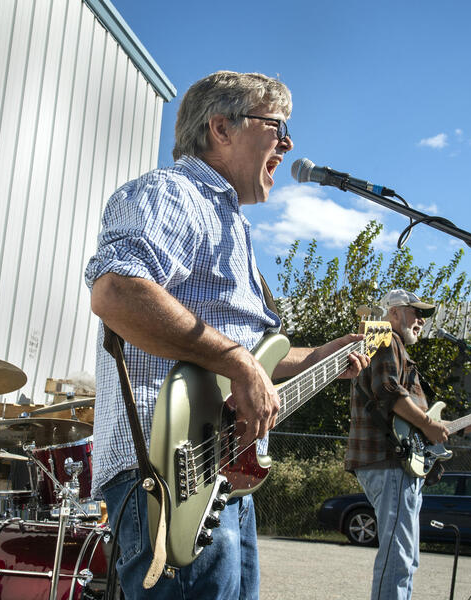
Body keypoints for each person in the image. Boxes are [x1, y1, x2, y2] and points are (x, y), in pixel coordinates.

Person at [85, 70, 369, 599]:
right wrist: (239, 362)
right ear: (221, 127)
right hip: (168, 474)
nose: (287, 144)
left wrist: (322, 357)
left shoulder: (232, 224)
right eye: (277, 127)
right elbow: (116, 292)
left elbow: (251, 355)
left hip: (225, 481)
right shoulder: (173, 193)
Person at [345, 289, 471, 600]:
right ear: (395, 312)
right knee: (398, 556)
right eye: (416, 312)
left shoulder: (393, 344)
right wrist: (428, 423)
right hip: (388, 462)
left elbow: (417, 425)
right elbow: (387, 391)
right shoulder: (383, 335)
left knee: (406, 557)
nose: (422, 320)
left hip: (397, 462)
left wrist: (462, 427)